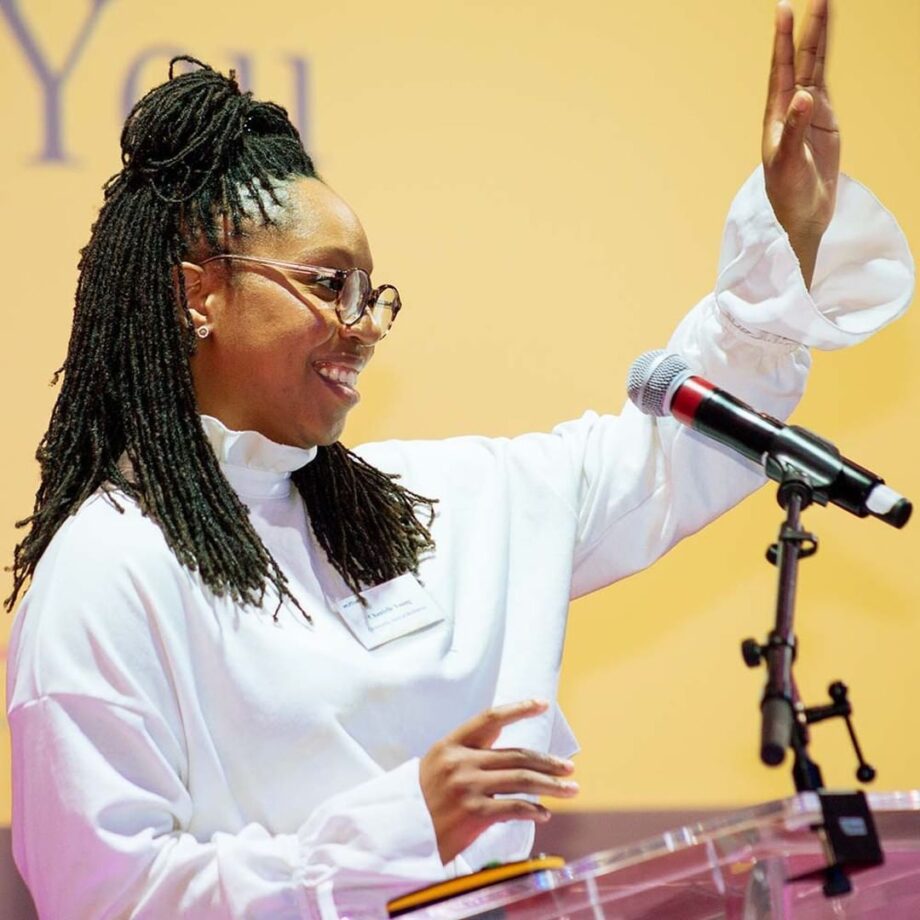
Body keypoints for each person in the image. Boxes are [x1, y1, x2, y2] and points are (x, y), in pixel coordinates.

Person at [5, 1, 913, 917]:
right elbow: (104, 895)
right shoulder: (108, 568)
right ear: (199, 293)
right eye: (329, 285)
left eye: (373, 294)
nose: (362, 328)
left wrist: (791, 236)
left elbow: (669, 454)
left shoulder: (434, 505)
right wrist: (396, 828)